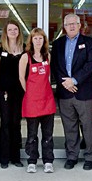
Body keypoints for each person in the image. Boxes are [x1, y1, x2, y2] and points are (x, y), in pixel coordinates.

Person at [51, 13, 92, 170]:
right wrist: (66, 83)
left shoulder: (89, 43)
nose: (71, 26)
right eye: (68, 24)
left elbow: (90, 65)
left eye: (74, 23)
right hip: (65, 92)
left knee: (88, 126)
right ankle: (72, 156)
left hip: (83, 91)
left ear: (80, 25)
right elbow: (55, 67)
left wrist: (74, 80)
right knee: (69, 126)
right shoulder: (57, 44)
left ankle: (90, 157)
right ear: (64, 27)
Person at [19, 28, 56, 173]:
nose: (38, 41)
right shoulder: (25, 57)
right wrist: (28, 92)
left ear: (44, 41)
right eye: (35, 38)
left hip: (47, 100)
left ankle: (48, 161)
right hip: (32, 101)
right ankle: (32, 161)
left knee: (48, 134)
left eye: (41, 38)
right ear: (31, 40)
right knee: (32, 134)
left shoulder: (48, 56)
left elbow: (48, 77)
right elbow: (22, 77)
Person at [0, 20, 24, 169]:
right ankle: (4, 158)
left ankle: (16, 157)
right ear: (5, 32)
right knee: (5, 122)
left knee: (16, 122)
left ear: (19, 32)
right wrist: (1, 86)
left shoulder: (25, 50)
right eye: (10, 29)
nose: (13, 32)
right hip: (3, 91)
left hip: (19, 91)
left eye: (15, 29)